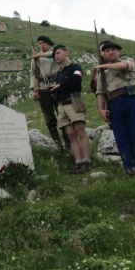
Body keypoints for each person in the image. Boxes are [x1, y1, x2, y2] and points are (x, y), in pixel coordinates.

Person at [94, 41, 135, 176]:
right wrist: (101, 109)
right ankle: (129, 168)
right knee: (121, 136)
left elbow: (125, 66)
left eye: (113, 49)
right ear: (104, 53)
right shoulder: (101, 74)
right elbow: (100, 93)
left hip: (131, 100)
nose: (111, 52)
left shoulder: (128, 62)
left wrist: (105, 65)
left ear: (118, 52)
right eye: (107, 50)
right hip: (114, 104)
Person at [50, 44, 92, 173]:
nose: (56, 56)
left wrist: (61, 85)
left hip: (73, 101)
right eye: (55, 54)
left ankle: (87, 161)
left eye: (58, 53)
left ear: (66, 53)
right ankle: (78, 162)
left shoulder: (75, 67)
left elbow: (76, 79)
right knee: (70, 134)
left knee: (80, 130)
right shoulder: (59, 73)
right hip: (62, 104)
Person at [29, 35, 71, 152]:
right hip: (43, 89)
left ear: (49, 44)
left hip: (56, 87)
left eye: (44, 43)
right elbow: (33, 74)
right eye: (40, 43)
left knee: (63, 117)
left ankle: (68, 145)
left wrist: (38, 55)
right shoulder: (35, 59)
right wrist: (34, 89)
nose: (42, 45)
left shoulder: (55, 54)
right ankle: (58, 145)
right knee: (49, 119)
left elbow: (51, 54)